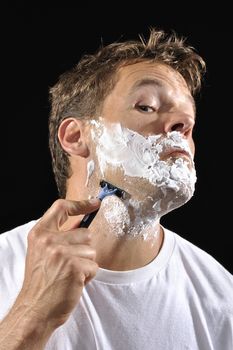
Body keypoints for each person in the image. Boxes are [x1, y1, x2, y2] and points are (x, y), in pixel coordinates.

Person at [0, 27, 232, 350]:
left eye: (188, 119)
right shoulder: (4, 268)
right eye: (147, 106)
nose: (183, 124)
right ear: (76, 137)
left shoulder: (222, 301)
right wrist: (33, 314)